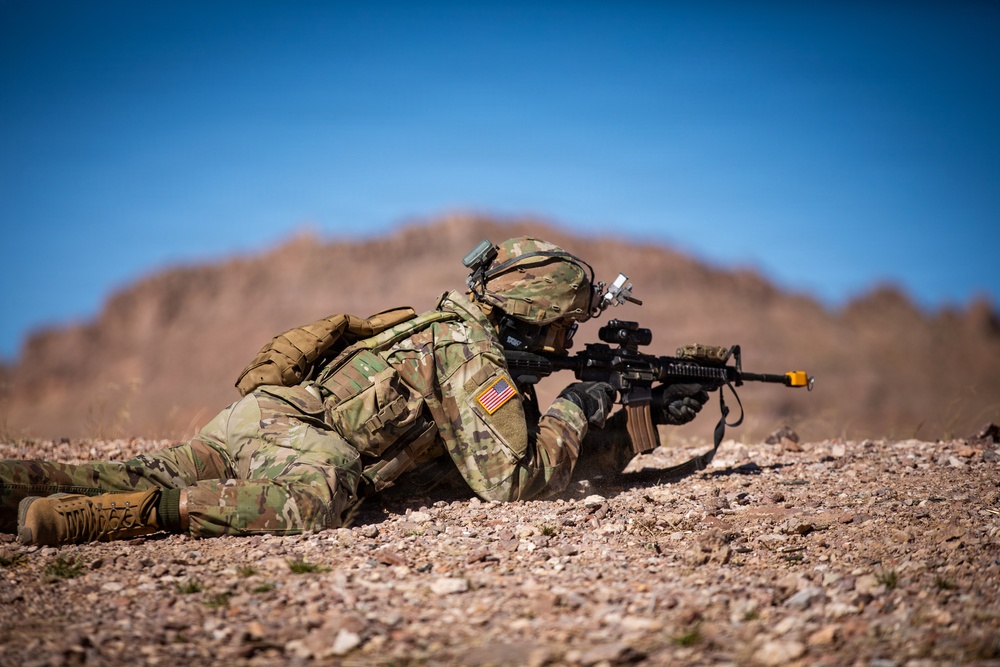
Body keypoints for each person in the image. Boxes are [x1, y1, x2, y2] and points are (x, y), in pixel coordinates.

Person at [1, 236, 708, 546]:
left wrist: (641, 427)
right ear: (537, 315)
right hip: (294, 444)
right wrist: (579, 402)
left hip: (261, 419)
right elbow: (513, 478)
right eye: (563, 326)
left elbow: (488, 467)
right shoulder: (471, 357)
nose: (565, 342)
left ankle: (18, 490)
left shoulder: (456, 330)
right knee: (326, 491)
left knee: (111, 468)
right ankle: (140, 515)